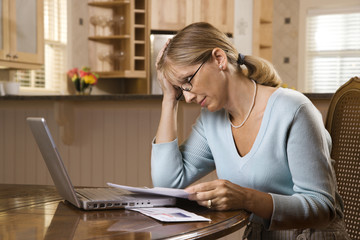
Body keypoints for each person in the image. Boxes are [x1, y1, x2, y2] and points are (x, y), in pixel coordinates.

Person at [151, 22, 350, 239]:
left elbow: (322, 208)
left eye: (188, 81)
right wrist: (169, 99)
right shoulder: (212, 120)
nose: (187, 97)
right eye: (181, 89)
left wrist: (246, 198)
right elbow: (167, 182)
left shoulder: (293, 110)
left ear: (219, 59)